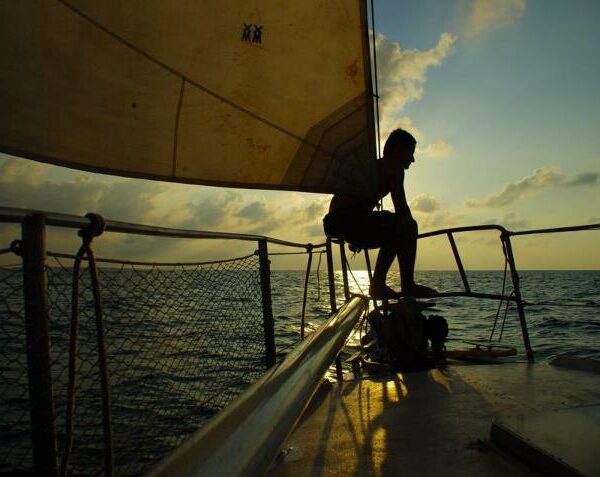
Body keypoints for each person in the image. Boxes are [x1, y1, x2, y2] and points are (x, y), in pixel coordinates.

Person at [323, 128, 437, 299]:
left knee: (397, 229)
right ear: (398, 149)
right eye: (410, 153)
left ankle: (381, 284)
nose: (412, 159)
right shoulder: (394, 168)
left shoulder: (378, 166)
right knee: (406, 226)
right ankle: (401, 286)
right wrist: (410, 236)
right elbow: (402, 209)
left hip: (335, 222)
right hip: (346, 219)